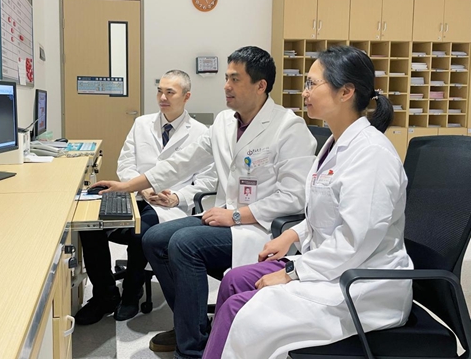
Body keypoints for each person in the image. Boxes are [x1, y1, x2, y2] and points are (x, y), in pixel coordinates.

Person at [93, 46, 316, 358]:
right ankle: (192, 324)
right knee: (154, 239)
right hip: (224, 217)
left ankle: (191, 348)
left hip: (262, 227)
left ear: (260, 85)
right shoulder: (224, 122)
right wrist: (127, 185)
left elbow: (295, 196)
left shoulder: (288, 127)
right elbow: (181, 163)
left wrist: (237, 216)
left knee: (184, 244)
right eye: (226, 78)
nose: (226, 86)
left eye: (235, 79)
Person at [202, 45, 413, 359]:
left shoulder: (372, 154)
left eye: (313, 84)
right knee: (234, 280)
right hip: (330, 266)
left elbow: (353, 242)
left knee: (239, 308)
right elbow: (324, 213)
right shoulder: (334, 143)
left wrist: (290, 273)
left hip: (362, 283)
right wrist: (292, 234)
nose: (305, 92)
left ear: (346, 92)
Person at [76, 70, 216, 325]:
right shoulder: (142, 124)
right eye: (159, 91)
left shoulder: (201, 133)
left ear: (186, 96)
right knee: (90, 225)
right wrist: (141, 188)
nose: (162, 97)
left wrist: (176, 197)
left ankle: (132, 292)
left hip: (169, 207)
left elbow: (207, 181)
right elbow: (126, 163)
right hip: (136, 197)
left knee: (142, 233)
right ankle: (105, 295)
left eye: (170, 92)